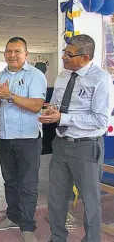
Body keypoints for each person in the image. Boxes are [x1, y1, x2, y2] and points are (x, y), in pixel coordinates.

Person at [39, 34, 114, 242]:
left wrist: (63, 117)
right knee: (56, 197)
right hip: (61, 144)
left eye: (68, 54)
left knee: (90, 202)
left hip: (86, 147)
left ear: (85, 57)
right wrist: (50, 112)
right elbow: (55, 103)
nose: (63, 57)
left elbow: (100, 120)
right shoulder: (63, 76)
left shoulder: (101, 79)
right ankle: (57, 237)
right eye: (64, 52)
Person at [0, 37, 47, 242]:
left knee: (28, 184)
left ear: (26, 54)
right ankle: (13, 216)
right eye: (9, 51)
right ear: (4, 54)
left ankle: (28, 226)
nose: (12, 55)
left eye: (17, 51)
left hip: (28, 138)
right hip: (5, 137)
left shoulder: (36, 76)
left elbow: (37, 105)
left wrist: (9, 95)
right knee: (10, 182)